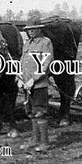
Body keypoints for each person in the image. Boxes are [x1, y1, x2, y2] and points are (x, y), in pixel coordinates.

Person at [18, 23, 54, 152]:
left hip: (38, 85)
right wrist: (19, 79)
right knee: (31, 112)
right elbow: (23, 61)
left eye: (34, 29)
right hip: (26, 85)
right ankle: (35, 140)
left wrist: (34, 79)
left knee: (40, 112)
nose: (31, 31)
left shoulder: (45, 42)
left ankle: (44, 143)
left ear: (40, 29)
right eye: (28, 29)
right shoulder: (28, 43)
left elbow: (46, 63)